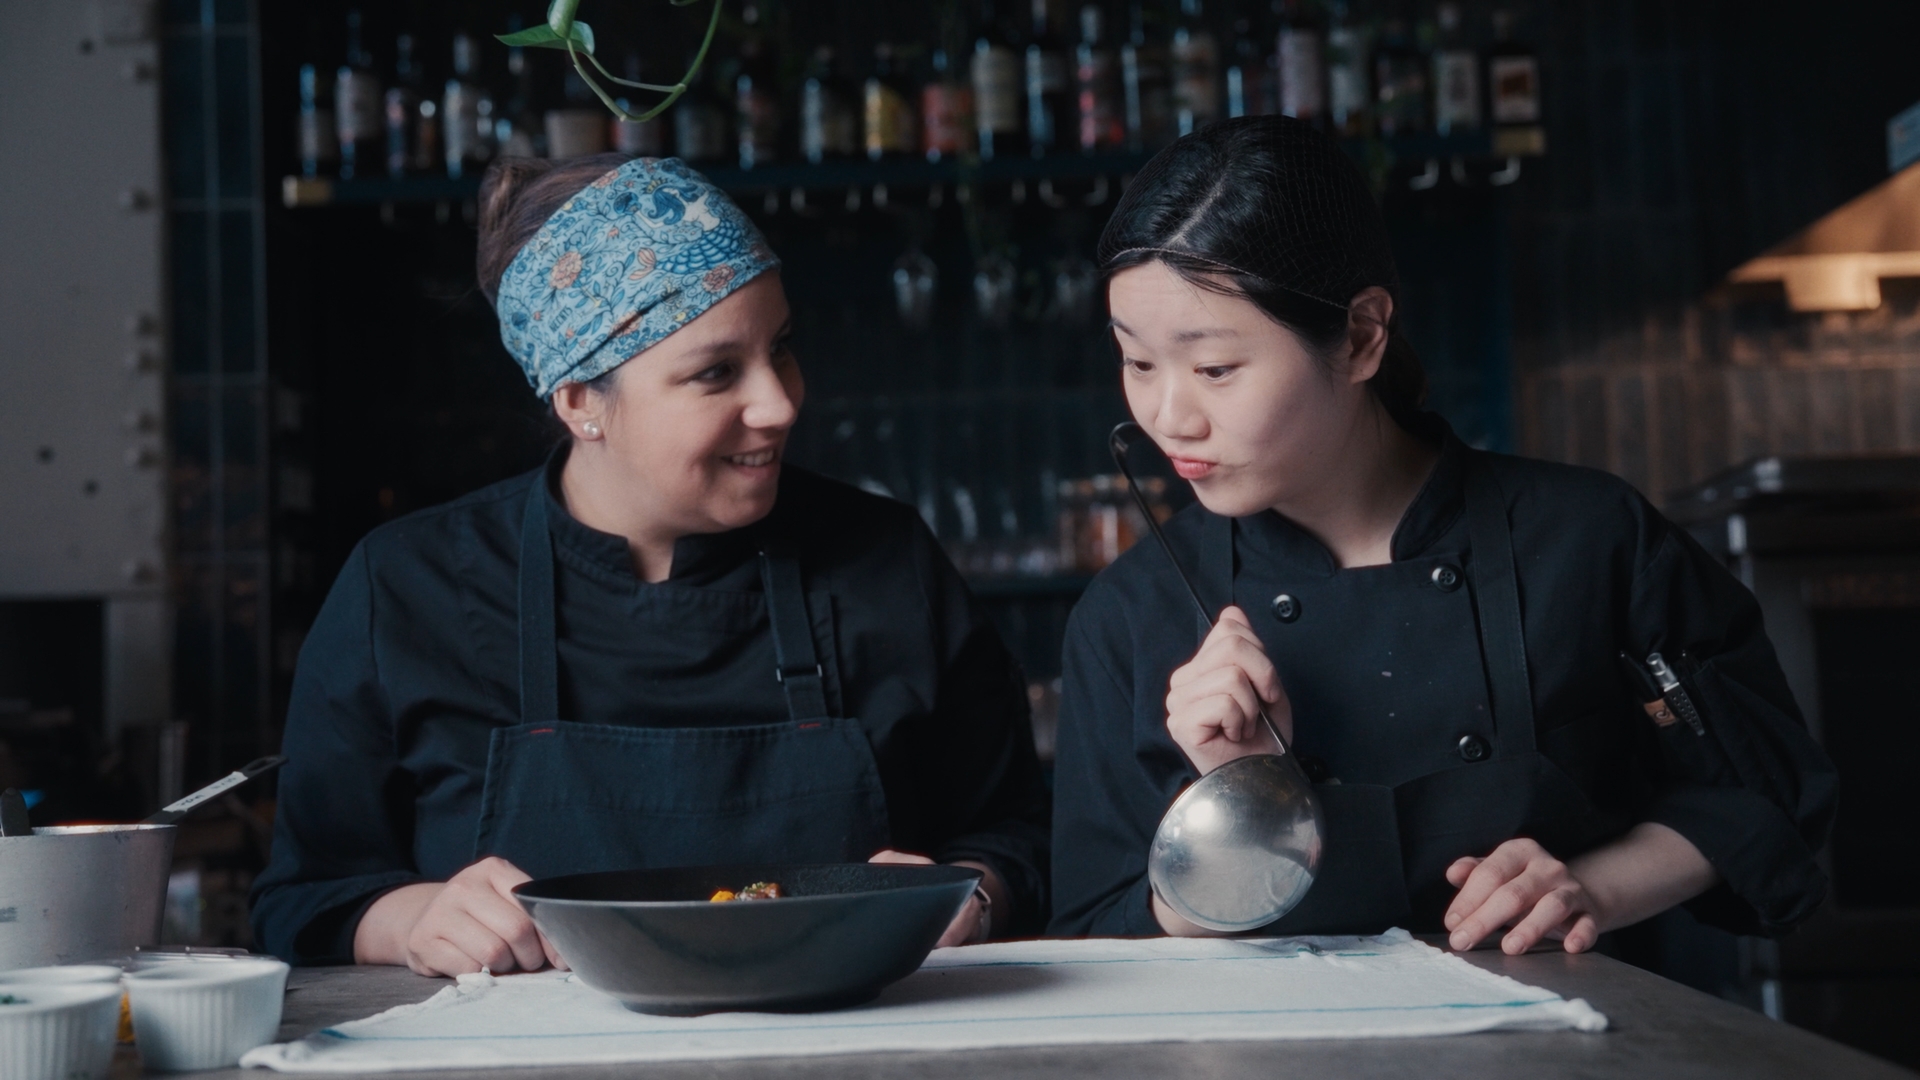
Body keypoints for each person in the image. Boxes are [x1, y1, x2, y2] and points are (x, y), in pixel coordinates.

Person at [1048, 117, 1836, 953]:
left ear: (1358, 337)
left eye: (1214, 370)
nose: (1169, 417)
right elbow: (1096, 931)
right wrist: (1238, 809)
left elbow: (1763, 791)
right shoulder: (1130, 616)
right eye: (1137, 363)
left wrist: (1589, 889)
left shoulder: (1589, 540)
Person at [251, 154, 1049, 974]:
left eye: (782, 349)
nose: (779, 403)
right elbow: (302, 899)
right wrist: (413, 917)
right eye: (715, 373)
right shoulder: (406, 588)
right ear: (579, 402)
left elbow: (1019, 834)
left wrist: (973, 899)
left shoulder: (886, 562)